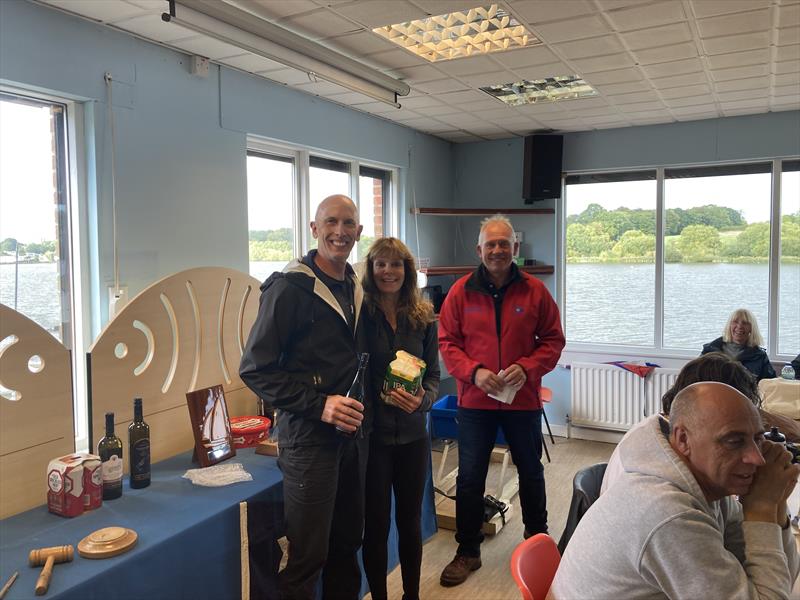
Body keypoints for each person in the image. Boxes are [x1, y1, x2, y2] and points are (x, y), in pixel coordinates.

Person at [551, 382, 800, 599]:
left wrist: (775, 507)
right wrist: (763, 509)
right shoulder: (668, 514)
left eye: (758, 439)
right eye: (734, 441)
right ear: (683, 440)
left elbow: (777, 579)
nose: (757, 459)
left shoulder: (708, 484)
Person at [239, 194, 368, 600]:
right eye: (331, 222)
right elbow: (255, 369)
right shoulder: (289, 288)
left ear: (359, 232)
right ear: (314, 229)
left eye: (349, 224)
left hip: (352, 440)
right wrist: (321, 405)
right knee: (307, 557)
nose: (340, 231)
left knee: (347, 547)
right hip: (308, 443)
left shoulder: (353, 285)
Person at [437, 215, 565, 587]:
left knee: (531, 471)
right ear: (479, 250)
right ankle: (468, 551)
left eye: (504, 244)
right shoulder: (461, 292)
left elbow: (553, 341)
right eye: (490, 244)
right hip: (475, 401)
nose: (497, 250)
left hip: (521, 401)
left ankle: (537, 541)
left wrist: (527, 367)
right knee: (471, 477)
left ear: (516, 249)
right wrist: (474, 372)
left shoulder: (535, 292)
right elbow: (448, 343)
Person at [360, 237, 440, 600]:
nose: (388, 271)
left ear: (407, 271)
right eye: (381, 264)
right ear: (371, 269)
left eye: (396, 265)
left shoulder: (424, 318)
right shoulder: (359, 315)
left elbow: (435, 379)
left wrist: (423, 400)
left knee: (409, 524)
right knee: (375, 527)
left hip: (413, 438)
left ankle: (411, 596)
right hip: (372, 440)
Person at [600, 351, 761, 495]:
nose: (758, 458)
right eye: (734, 441)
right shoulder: (664, 490)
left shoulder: (657, 429)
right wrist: (765, 501)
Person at [702, 308, 776, 381]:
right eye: (735, 322)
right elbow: (695, 375)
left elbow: (769, 385)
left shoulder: (759, 356)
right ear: (729, 325)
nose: (740, 326)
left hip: (745, 393)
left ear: (751, 328)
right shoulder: (709, 350)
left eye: (745, 323)